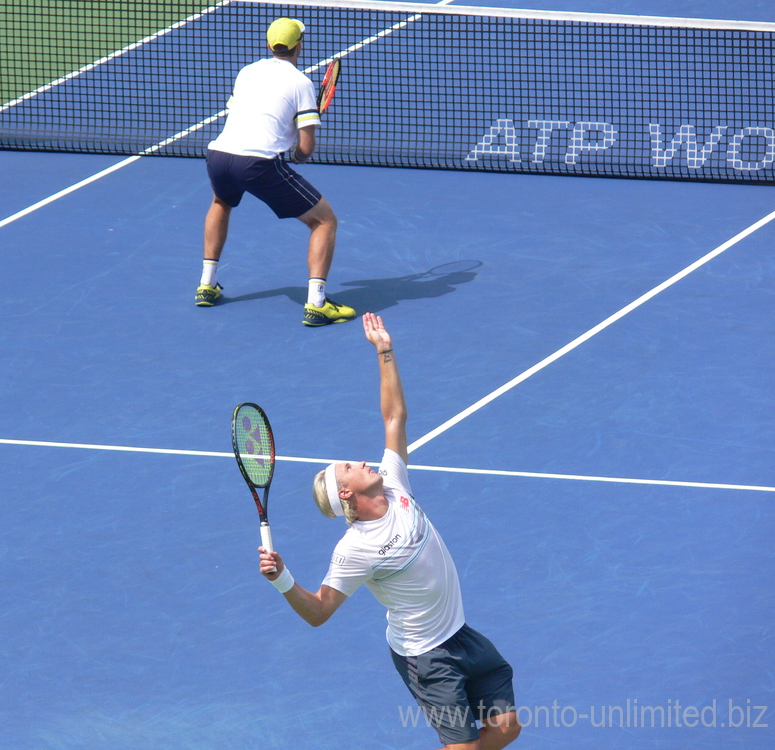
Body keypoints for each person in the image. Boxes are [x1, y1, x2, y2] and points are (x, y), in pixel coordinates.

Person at [258, 313, 521, 750]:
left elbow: (394, 416)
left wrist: (384, 350)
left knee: (508, 727)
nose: (361, 461)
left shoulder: (394, 483)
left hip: (459, 633)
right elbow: (320, 611)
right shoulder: (355, 549)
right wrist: (282, 578)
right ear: (345, 492)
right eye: (350, 467)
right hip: (427, 657)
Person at [196, 17, 356, 327]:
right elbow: (305, 148)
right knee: (324, 221)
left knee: (221, 202)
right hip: (257, 165)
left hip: (218, 156)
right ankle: (317, 304)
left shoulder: (247, 72)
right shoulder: (301, 83)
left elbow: (248, 117)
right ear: (299, 46)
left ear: (270, 45)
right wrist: (296, 153)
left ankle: (206, 285)